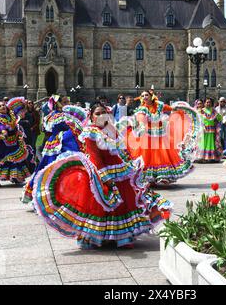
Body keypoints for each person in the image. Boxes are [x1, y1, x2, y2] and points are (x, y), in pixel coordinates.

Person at [32, 103, 172, 249]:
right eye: (97, 113)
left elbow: (122, 151)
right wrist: (105, 178)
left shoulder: (112, 129)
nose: (101, 116)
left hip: (121, 172)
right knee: (103, 207)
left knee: (125, 206)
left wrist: (131, 168)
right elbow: (95, 157)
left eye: (103, 112)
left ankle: (121, 238)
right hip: (102, 172)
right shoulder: (90, 132)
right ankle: (101, 237)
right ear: (91, 116)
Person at [119, 90, 200, 184]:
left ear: (151, 96)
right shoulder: (142, 109)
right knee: (148, 157)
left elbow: (172, 109)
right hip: (147, 136)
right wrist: (139, 125)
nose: (145, 97)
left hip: (161, 135)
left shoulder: (159, 105)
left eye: (146, 95)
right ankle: (149, 178)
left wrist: (181, 108)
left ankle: (162, 176)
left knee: (162, 156)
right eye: (142, 96)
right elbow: (140, 119)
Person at [22, 105, 88, 203]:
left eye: (67, 102)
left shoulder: (73, 127)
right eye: (64, 102)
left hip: (66, 142)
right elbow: (49, 129)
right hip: (57, 144)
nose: (66, 105)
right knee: (49, 167)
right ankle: (45, 196)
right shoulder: (56, 117)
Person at [198, 97, 223, 163]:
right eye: (207, 102)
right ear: (204, 103)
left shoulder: (214, 111)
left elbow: (220, 118)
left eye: (209, 102)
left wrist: (216, 120)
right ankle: (203, 157)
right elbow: (197, 119)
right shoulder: (201, 111)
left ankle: (211, 157)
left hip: (212, 129)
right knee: (203, 143)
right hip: (203, 129)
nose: (208, 104)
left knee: (210, 143)